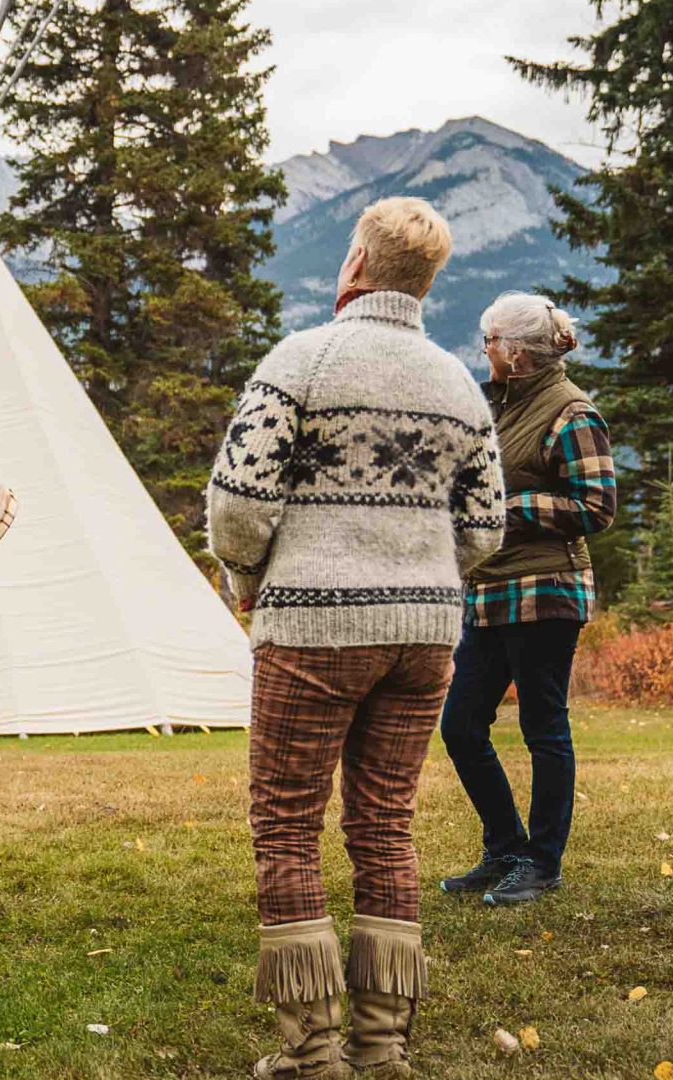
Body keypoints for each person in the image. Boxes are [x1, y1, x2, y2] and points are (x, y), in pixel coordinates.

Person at [207, 197, 505, 1079]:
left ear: (356, 265)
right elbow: (486, 529)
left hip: (314, 628)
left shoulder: (304, 358)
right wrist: (423, 571)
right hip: (424, 638)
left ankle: (313, 1052)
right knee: (385, 827)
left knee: (288, 825)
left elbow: (238, 504)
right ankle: (383, 1046)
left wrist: (247, 581)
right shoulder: (458, 384)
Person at [438, 293, 617, 907]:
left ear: (514, 352)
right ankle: (506, 847)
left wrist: (510, 510)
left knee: (543, 727)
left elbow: (597, 505)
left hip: (546, 591)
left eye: (489, 341)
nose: (482, 350)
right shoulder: (497, 409)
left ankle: (542, 864)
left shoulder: (572, 413)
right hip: (490, 592)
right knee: (461, 725)